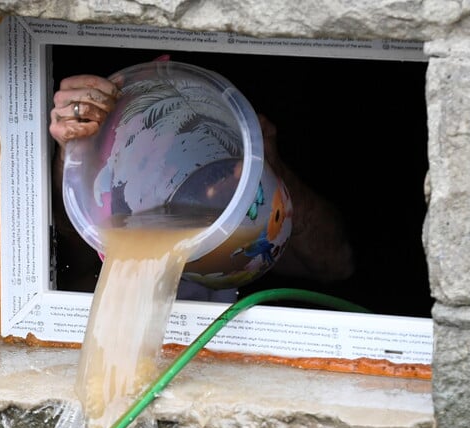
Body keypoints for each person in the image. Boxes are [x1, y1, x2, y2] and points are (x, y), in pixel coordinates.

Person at [48, 73, 354, 298]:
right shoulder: (116, 205)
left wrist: (271, 170)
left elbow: (335, 263)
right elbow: (72, 263)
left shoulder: (244, 212)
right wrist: (74, 155)